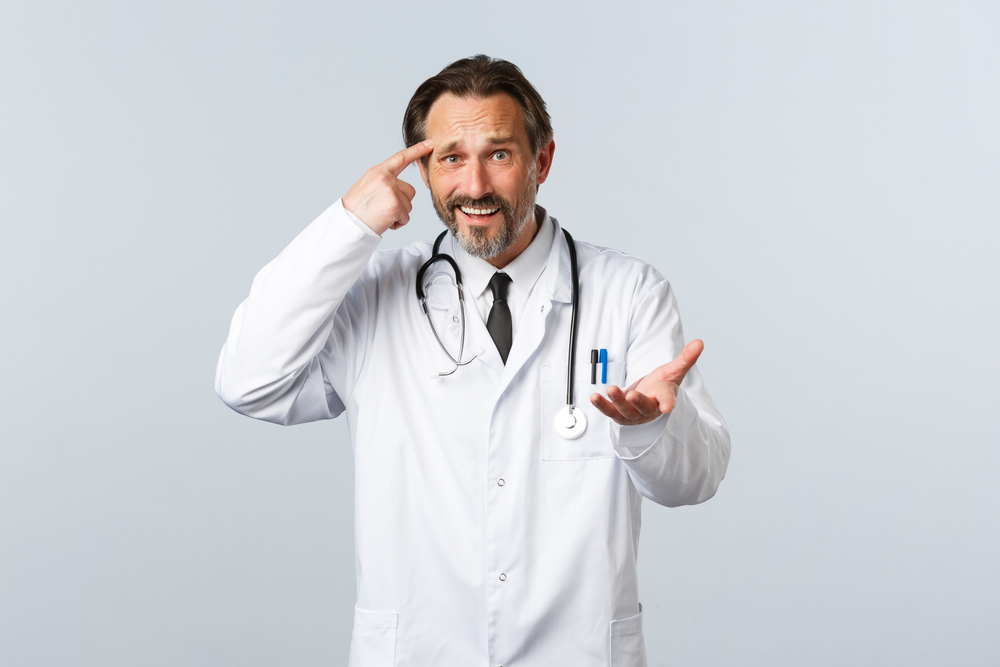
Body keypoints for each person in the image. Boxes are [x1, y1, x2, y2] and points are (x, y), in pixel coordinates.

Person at [216, 55, 730, 667]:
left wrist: (648, 427)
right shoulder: (373, 289)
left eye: (500, 154)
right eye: (451, 158)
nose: (476, 186)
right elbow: (249, 382)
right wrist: (349, 226)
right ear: (423, 170)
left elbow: (694, 480)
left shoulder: (628, 292)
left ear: (541, 161)